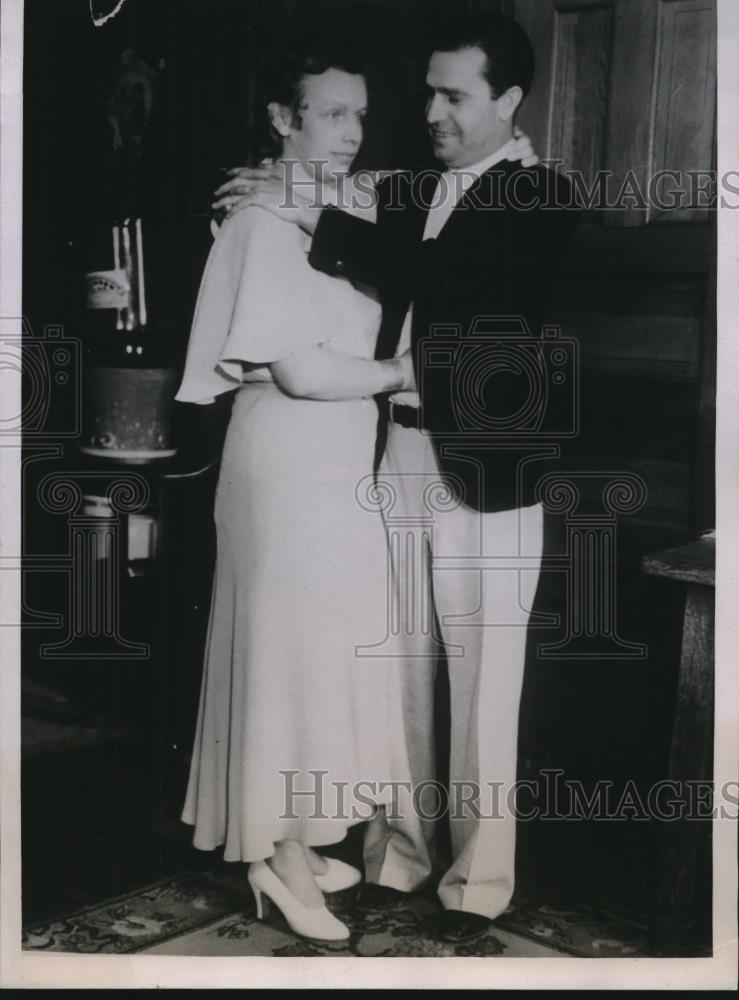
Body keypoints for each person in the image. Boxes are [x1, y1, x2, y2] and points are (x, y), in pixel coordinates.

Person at [213, 13, 580, 944]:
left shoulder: (541, 196)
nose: (431, 111)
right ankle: (398, 857)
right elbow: (355, 205)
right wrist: (279, 185)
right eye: (426, 92)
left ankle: (476, 886)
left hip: (489, 472)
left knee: (484, 684)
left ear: (507, 101)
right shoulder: (411, 189)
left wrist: (307, 212)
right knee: (400, 673)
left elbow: (447, 283)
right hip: (394, 452)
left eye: (453, 95)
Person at [175, 41, 426, 944]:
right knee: (282, 663)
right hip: (281, 464)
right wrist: (407, 371)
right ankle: (273, 862)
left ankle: (293, 831)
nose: (350, 133)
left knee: (321, 659)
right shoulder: (252, 223)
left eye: (358, 113)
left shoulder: (343, 206)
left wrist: (311, 191)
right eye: (328, 114)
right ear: (282, 120)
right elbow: (300, 371)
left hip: (338, 463)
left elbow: (408, 243)